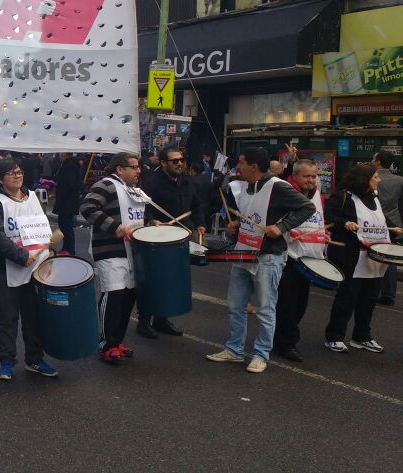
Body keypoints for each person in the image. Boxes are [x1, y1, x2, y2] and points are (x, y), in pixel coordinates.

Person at [207, 147, 314, 374]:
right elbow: (248, 216)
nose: (238, 167)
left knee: (265, 309)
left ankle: (261, 354)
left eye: (241, 162)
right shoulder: (245, 186)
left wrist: (282, 227)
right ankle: (234, 350)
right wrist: (235, 225)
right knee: (235, 306)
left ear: (253, 166)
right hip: (243, 252)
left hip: (269, 256)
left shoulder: (278, 186)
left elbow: (308, 207)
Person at [0, 158, 59, 380]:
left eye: (19, 172)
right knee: (8, 316)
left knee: (33, 315)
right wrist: (20, 256)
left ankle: (34, 359)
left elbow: (42, 227)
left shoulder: (33, 197)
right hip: (4, 268)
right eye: (11, 173)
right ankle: (6, 360)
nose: (17, 176)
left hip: (35, 267)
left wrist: (49, 251)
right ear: (0, 179)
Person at [324, 164, 403, 354]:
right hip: (352, 257)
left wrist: (395, 229)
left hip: (374, 258)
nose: (379, 180)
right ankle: (334, 337)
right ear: (364, 179)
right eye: (375, 177)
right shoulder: (342, 197)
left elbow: (380, 221)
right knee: (347, 297)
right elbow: (328, 216)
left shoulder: (374, 197)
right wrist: (344, 222)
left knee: (369, 299)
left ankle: (361, 336)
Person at [80, 153, 146, 364]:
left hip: (132, 252)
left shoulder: (134, 189)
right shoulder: (106, 185)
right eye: (134, 167)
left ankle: (117, 341)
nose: (138, 171)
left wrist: (153, 223)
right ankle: (106, 344)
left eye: (138, 167)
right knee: (114, 295)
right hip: (111, 250)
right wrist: (115, 227)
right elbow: (87, 208)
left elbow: (142, 215)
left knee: (128, 297)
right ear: (120, 169)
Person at [138, 147, 205, 338]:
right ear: (163, 163)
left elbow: (196, 205)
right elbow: (143, 207)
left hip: (181, 237)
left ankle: (161, 319)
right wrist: (151, 220)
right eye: (174, 161)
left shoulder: (187, 182)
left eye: (181, 160)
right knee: (154, 280)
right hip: (158, 240)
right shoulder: (152, 183)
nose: (179, 163)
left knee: (171, 280)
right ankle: (144, 322)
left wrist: (200, 223)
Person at [271, 159, 326, 362]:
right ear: (294, 176)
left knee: (301, 303)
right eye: (306, 176)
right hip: (288, 257)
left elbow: (319, 221)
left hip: (310, 258)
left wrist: (324, 235)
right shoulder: (285, 193)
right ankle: (287, 343)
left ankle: (280, 338)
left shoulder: (317, 195)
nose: (311, 180)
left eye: (314, 176)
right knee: (287, 304)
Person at [372, 151, 403, 305]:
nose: (372, 161)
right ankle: (389, 294)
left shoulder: (370, 178)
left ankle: (368, 289)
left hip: (373, 222)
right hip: (394, 223)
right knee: (389, 259)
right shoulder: (400, 180)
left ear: (378, 162)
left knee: (369, 254)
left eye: (373, 159)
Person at [53, 152, 82, 255]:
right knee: (65, 224)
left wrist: (61, 195)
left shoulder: (70, 165)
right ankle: (67, 247)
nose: (59, 154)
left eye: (61, 152)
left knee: (65, 225)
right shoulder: (70, 164)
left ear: (65, 153)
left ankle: (69, 249)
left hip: (67, 201)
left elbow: (69, 183)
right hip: (68, 200)